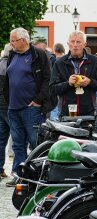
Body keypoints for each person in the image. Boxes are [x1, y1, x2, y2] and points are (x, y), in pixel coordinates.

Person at [5, 28, 52, 185]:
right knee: (18, 144)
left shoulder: (38, 54)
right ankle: (20, 176)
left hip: (31, 108)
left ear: (23, 40)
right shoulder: (12, 54)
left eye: (13, 40)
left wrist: (39, 100)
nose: (11, 43)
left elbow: (47, 79)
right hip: (13, 107)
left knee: (35, 142)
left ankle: (40, 175)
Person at [49, 30, 97, 120]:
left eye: (78, 42)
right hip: (66, 114)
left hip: (89, 114)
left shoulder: (95, 61)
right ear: (68, 44)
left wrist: (90, 82)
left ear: (85, 44)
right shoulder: (60, 62)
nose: (75, 45)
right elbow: (52, 89)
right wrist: (68, 83)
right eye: (72, 41)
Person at [0, 44, 12, 179]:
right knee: (19, 140)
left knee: (1, 140)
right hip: (9, 105)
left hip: (0, 106)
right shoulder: (11, 66)